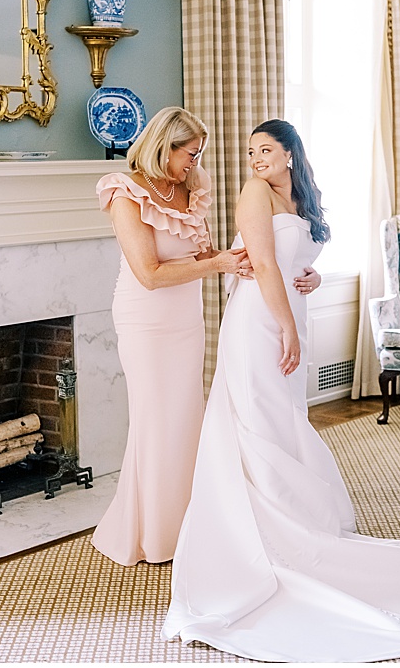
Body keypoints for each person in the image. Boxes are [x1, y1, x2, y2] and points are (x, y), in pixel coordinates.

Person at [162, 119, 400, 662]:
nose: (255, 159)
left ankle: (296, 523)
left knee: (286, 420)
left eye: (265, 150)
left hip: (291, 311)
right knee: (257, 422)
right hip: (259, 322)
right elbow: (262, 263)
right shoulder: (253, 194)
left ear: (290, 154)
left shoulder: (301, 200)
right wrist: (287, 326)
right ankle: (264, 539)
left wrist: (309, 280)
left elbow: (292, 261)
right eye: (250, 151)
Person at [93, 107, 319, 566]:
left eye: (198, 155)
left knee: (184, 420)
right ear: (164, 146)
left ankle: (186, 524)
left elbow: (207, 253)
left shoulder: (190, 190)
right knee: (155, 420)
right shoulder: (124, 192)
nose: (194, 163)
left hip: (186, 317)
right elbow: (150, 274)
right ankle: (151, 535)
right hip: (146, 317)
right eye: (189, 154)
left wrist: (242, 258)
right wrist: (218, 264)